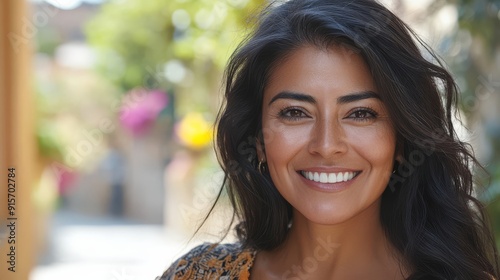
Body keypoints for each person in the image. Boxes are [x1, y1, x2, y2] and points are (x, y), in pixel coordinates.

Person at [158, 0, 500, 279]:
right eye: (295, 113)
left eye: (361, 113)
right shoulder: (195, 273)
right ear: (258, 139)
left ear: (402, 139)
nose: (326, 145)